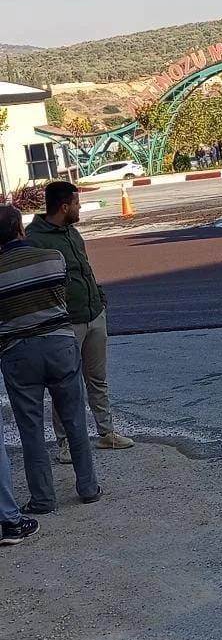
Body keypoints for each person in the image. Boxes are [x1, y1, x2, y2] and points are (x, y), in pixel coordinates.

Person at [0, 205, 100, 514]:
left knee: (30, 430)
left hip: (18, 353)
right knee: (75, 421)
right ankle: (88, 487)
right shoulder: (53, 259)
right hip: (60, 346)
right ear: (21, 229)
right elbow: (62, 296)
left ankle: (43, 499)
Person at [26, 182, 134, 463]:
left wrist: (99, 298)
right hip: (66, 323)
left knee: (97, 379)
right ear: (64, 207)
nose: (80, 207)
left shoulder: (72, 233)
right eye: (76, 203)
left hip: (93, 315)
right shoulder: (36, 240)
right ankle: (65, 443)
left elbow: (85, 269)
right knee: (64, 383)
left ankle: (106, 433)